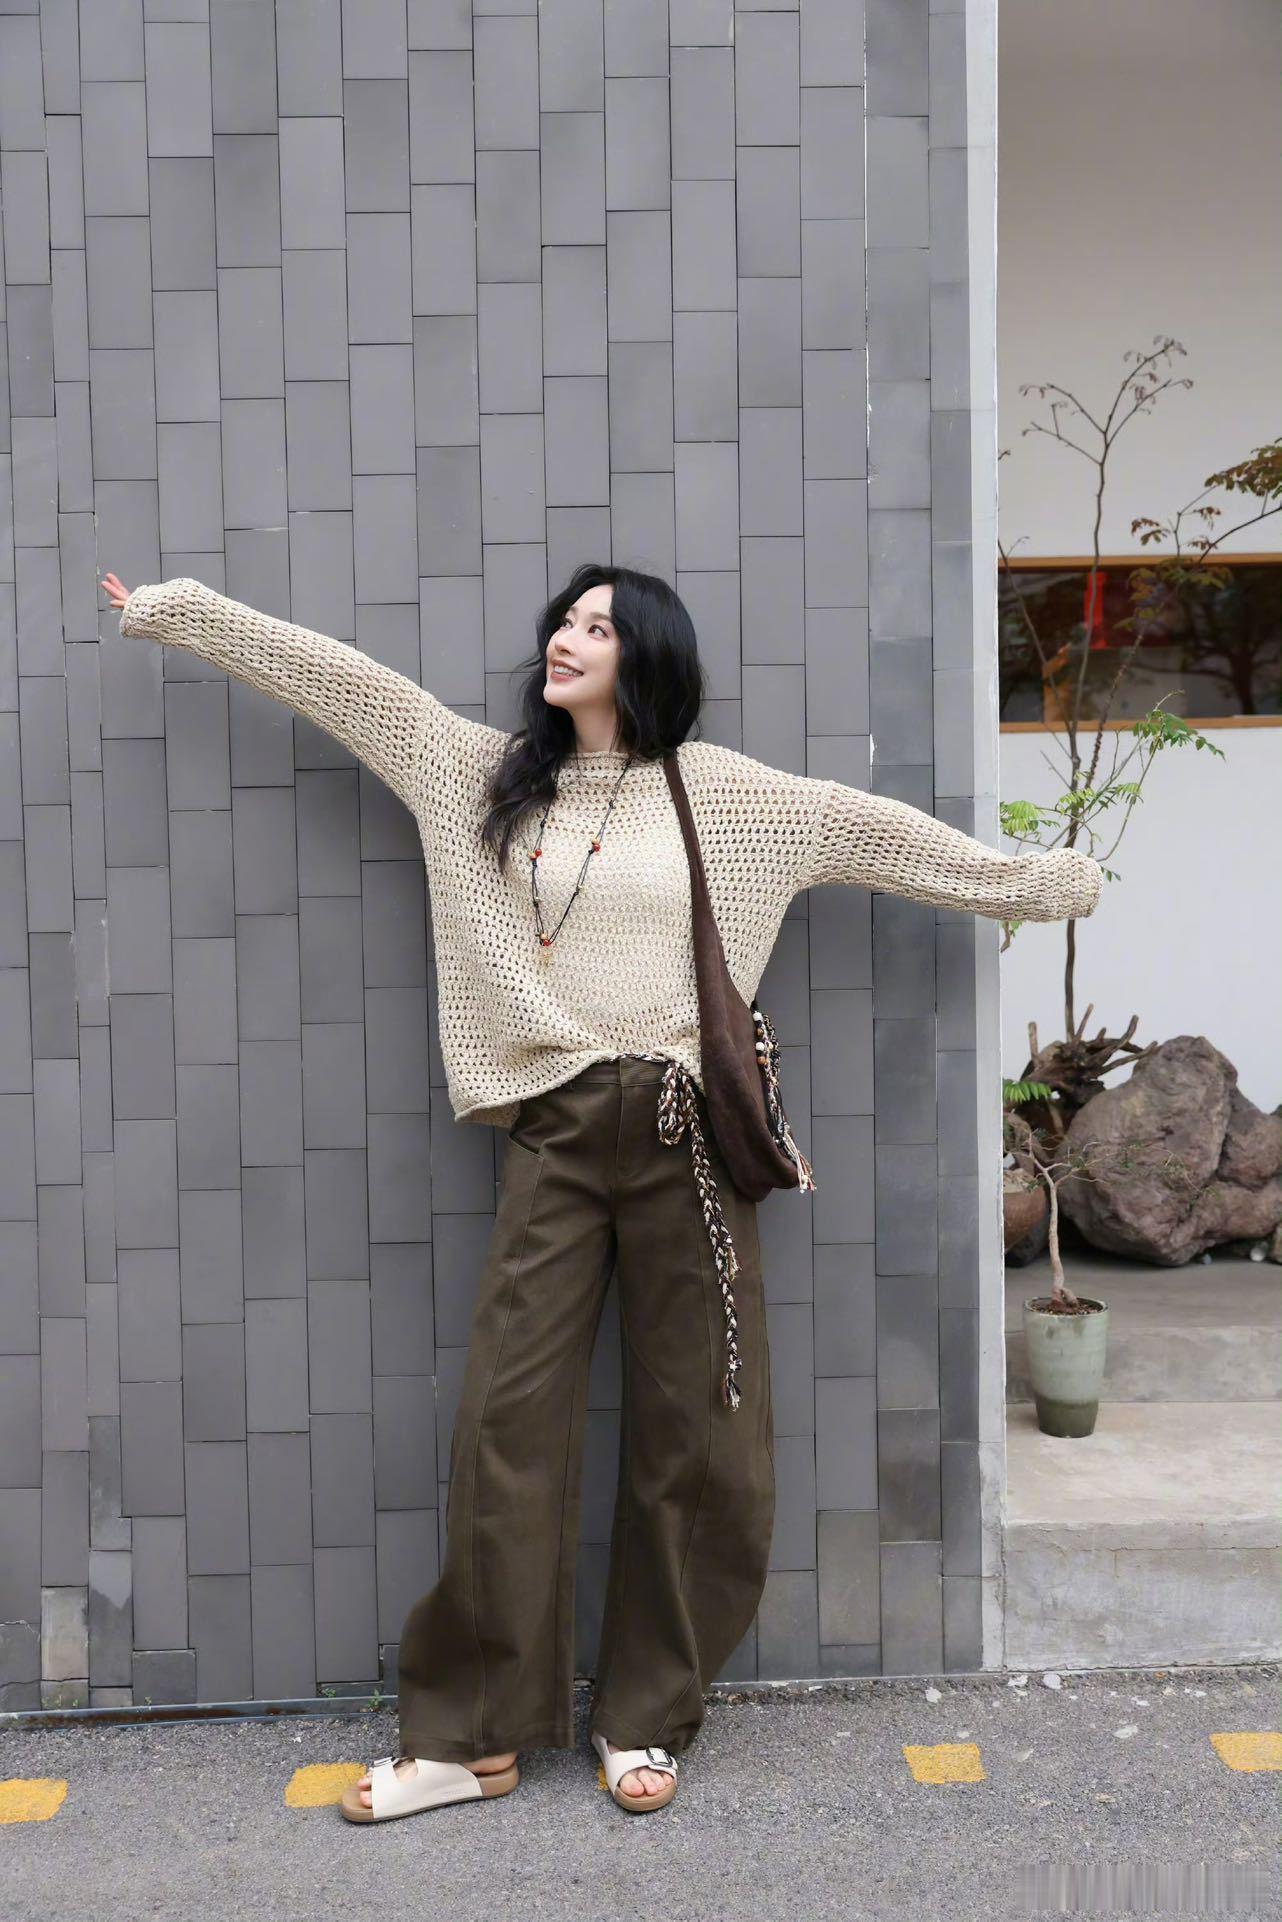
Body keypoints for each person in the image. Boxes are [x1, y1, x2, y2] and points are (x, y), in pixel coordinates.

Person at [101, 563, 1101, 1821]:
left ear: (649, 655)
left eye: (598, 626)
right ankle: (468, 1737)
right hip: (557, 1125)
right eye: (563, 622)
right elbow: (344, 685)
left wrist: (1038, 883)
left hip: (689, 1133)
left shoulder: (730, 795)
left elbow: (887, 839)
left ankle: (644, 1714)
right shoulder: (481, 773)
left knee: (701, 1437)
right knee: (504, 1425)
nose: (566, 640)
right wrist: (180, 612)